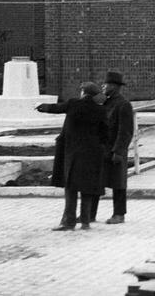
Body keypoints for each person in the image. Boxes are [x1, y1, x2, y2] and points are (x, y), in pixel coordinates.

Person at [36, 81, 108, 230]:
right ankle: (86, 221)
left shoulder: (74, 104)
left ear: (83, 92)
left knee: (71, 188)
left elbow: (57, 108)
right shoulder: (100, 110)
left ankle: (69, 222)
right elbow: (105, 133)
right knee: (87, 188)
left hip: (73, 153)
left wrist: (42, 107)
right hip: (92, 154)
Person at [101, 70, 135, 224]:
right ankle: (89, 213)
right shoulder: (106, 102)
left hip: (115, 150)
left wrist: (119, 151)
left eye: (106, 84)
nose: (103, 87)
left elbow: (126, 131)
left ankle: (119, 214)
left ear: (113, 86)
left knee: (118, 184)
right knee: (97, 181)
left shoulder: (123, 104)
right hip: (103, 148)